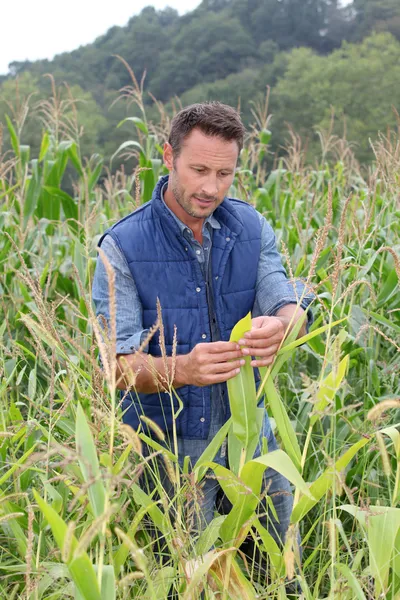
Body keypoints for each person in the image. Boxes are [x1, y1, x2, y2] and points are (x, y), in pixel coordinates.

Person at [92, 101, 313, 557]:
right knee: (189, 578)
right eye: (198, 170)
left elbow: (285, 298)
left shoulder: (250, 226)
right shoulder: (121, 247)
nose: (212, 188)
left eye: (225, 174)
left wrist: (286, 324)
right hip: (172, 454)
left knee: (279, 572)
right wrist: (183, 369)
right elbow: (115, 369)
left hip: (253, 440)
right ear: (168, 156)